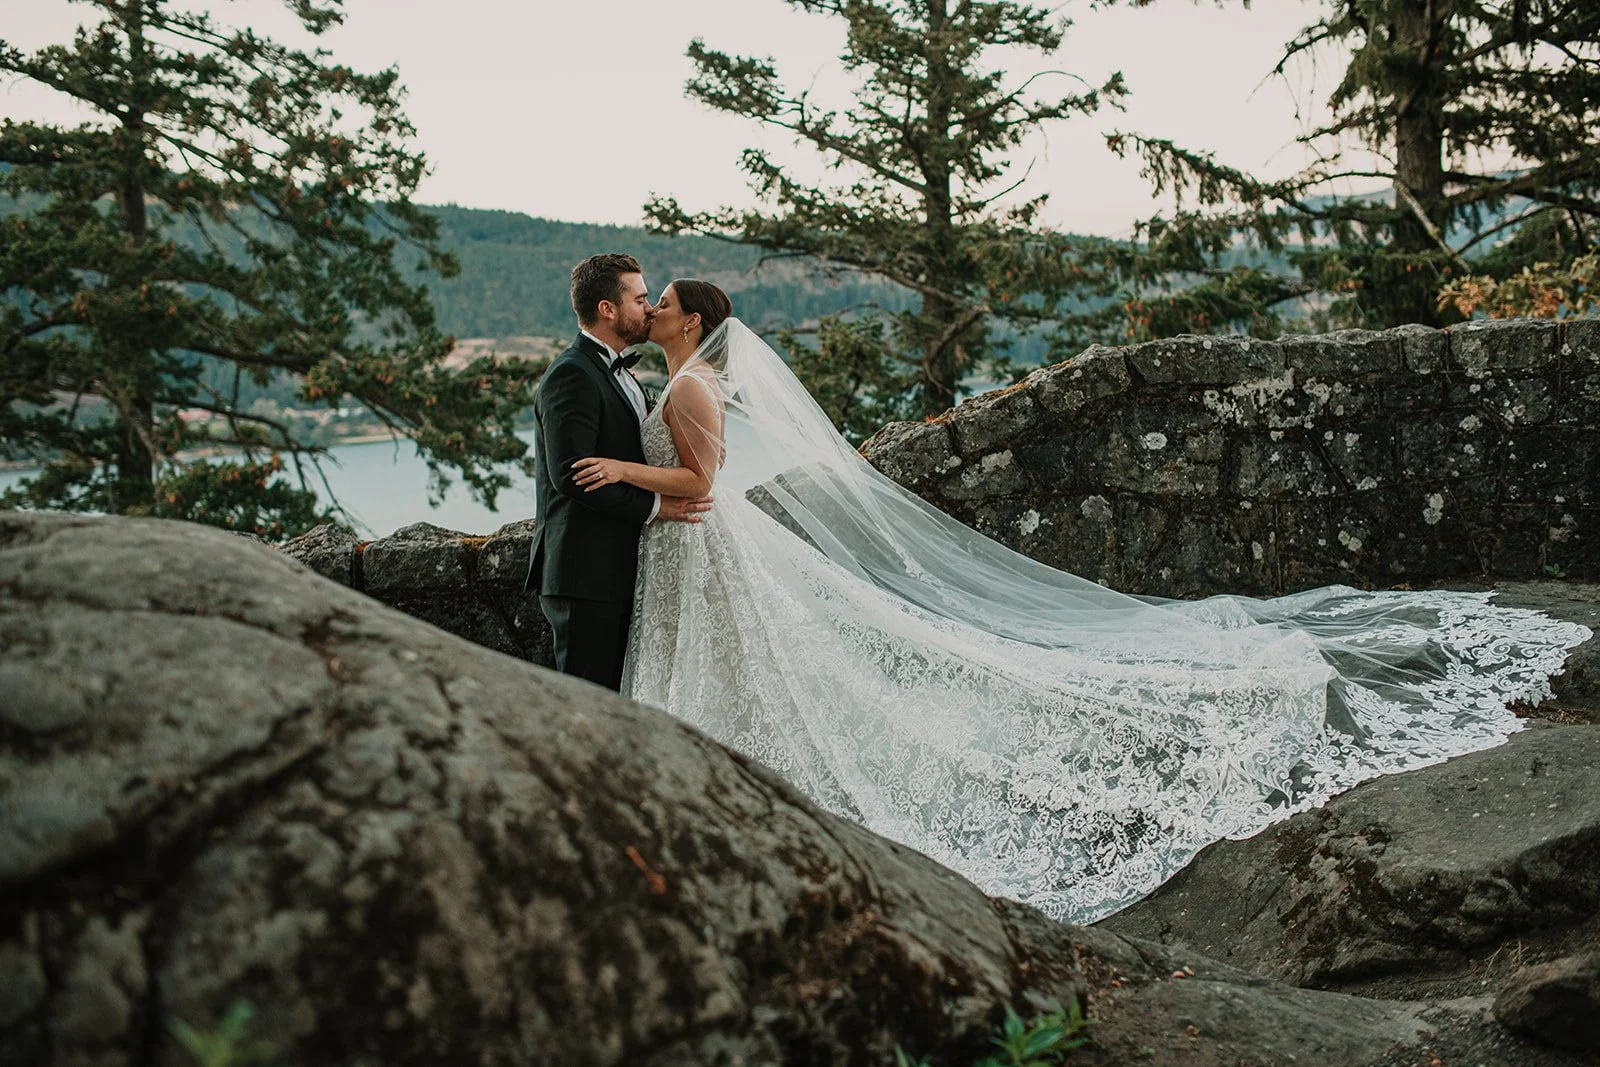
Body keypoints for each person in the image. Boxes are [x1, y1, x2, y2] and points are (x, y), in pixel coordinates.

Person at [573, 280, 1592, 924]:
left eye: (660, 299)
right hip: (690, 559)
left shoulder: (692, 389)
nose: (649, 303)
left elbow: (702, 486)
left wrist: (623, 472)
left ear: (693, 320)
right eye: (642, 298)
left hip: (703, 545)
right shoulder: (670, 382)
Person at [523, 254, 712, 692]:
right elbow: (572, 476)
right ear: (608, 309)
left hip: (621, 568)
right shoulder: (572, 374)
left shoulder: (625, 373)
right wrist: (657, 506)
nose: (649, 309)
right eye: (641, 298)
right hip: (584, 572)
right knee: (590, 701)